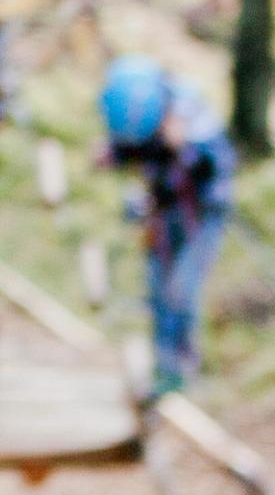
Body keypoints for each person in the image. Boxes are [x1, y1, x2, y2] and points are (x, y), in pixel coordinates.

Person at [101, 53, 236, 398]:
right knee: (158, 287)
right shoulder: (128, 107)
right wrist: (116, 158)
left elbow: (211, 171)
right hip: (161, 212)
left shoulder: (194, 119)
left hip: (201, 213)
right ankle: (164, 368)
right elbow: (133, 151)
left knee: (181, 289)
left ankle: (184, 370)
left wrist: (183, 150)